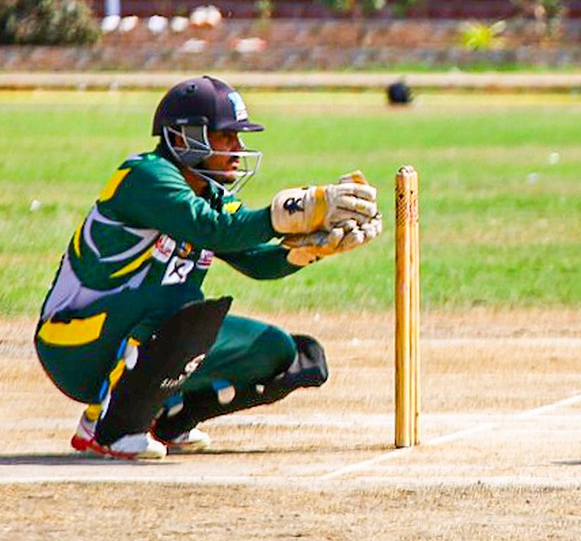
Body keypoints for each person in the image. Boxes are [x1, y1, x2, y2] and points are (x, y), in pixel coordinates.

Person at [33, 75, 382, 460]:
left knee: (277, 351)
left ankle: (167, 416)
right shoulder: (145, 177)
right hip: (73, 344)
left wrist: (311, 249)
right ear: (184, 137)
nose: (238, 149)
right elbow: (212, 229)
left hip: (129, 328)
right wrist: (291, 212)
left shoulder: (210, 194)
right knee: (179, 301)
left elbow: (254, 259)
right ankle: (109, 426)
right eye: (226, 137)